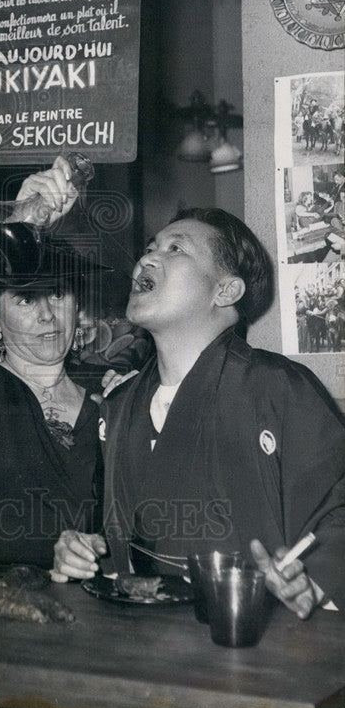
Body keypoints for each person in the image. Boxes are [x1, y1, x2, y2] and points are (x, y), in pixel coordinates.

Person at [53, 208, 345, 618]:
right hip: (139, 647)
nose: (147, 258)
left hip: (250, 646)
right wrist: (84, 552)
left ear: (225, 292)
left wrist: (310, 583)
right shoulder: (119, 406)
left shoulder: (278, 386)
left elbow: (339, 509)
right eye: (150, 247)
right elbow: (125, 541)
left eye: (176, 249)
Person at [0, 157, 105, 568]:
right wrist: (20, 222)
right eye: (26, 299)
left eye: (58, 295)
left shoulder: (106, 403)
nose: (47, 315)